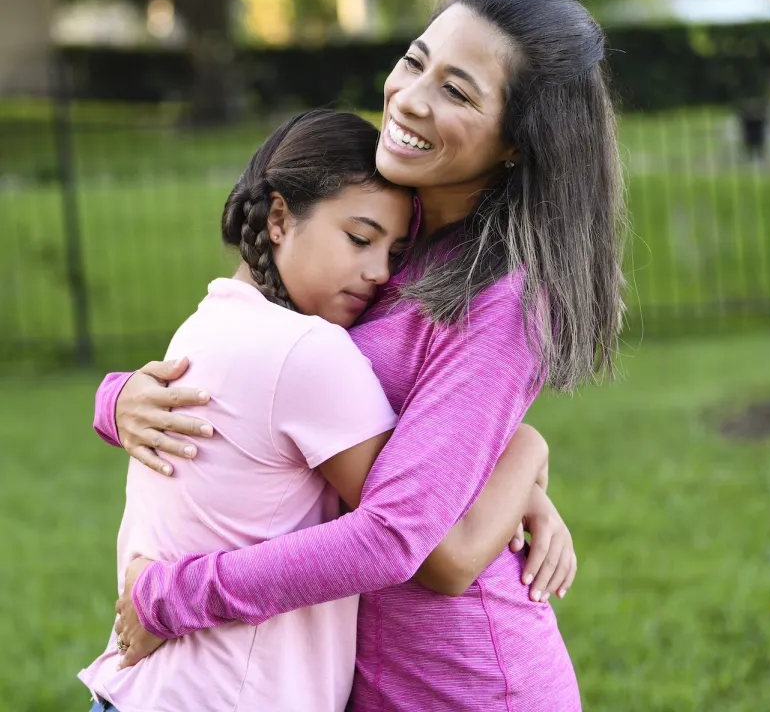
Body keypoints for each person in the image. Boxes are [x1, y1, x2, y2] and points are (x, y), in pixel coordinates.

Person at [95, 0, 624, 711]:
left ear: (515, 145)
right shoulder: (389, 234)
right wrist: (120, 397)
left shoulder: (504, 299)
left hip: (464, 681)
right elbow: (254, 342)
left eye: (459, 92)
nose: (409, 98)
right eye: (415, 61)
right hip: (354, 676)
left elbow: (411, 542)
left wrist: (175, 595)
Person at [80, 108, 558, 712]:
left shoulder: (204, 325)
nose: (379, 273)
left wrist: (112, 397)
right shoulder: (312, 350)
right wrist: (525, 448)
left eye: (396, 252)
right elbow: (435, 544)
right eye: (360, 239)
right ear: (280, 217)